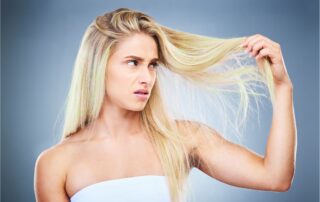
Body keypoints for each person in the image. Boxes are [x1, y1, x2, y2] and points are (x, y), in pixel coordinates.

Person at [34, 7, 297, 202]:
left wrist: (283, 88)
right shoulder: (56, 164)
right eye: (133, 62)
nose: (147, 78)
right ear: (98, 66)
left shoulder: (181, 138)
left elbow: (275, 177)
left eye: (153, 65)